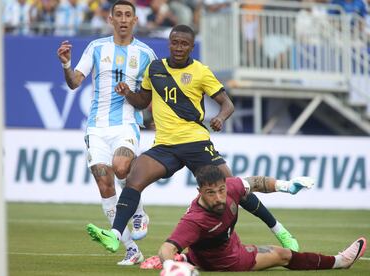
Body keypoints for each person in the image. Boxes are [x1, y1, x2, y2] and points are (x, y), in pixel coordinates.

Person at [86, 24, 305, 255]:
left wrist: (220, 118)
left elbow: (226, 103)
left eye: (184, 44)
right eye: (174, 42)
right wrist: (127, 94)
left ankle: (279, 230)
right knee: (133, 180)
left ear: (191, 47)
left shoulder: (201, 71)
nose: (178, 47)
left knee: (233, 188)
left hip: (196, 143)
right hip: (165, 145)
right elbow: (142, 101)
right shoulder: (155, 68)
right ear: (169, 43)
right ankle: (115, 235)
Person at [56, 0, 157, 265]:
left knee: (122, 167)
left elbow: (147, 100)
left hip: (126, 124)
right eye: (119, 15)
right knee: (104, 183)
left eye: (128, 15)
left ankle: (138, 209)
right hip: (96, 127)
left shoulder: (146, 54)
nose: (123, 19)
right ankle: (131, 249)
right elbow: (75, 82)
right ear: (110, 19)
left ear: (135, 21)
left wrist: (130, 94)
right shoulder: (96, 47)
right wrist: (66, 65)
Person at [156, 165, 367, 272]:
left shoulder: (231, 187)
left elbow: (255, 182)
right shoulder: (194, 220)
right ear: (199, 191)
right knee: (284, 255)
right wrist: (169, 267)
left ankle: (188, 259)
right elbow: (166, 249)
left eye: (221, 190)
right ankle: (341, 262)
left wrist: (286, 186)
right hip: (227, 261)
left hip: (217, 248)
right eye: (211, 193)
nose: (219, 197)